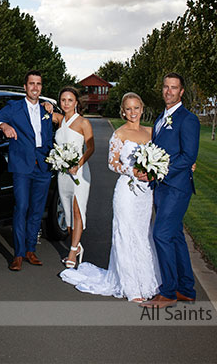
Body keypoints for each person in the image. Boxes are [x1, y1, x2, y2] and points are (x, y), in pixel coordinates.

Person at [60, 92, 161, 301]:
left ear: (142, 109)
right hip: (126, 191)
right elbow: (112, 163)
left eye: (136, 108)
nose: (133, 112)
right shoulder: (120, 134)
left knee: (142, 234)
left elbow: (160, 157)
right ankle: (130, 286)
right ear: (123, 112)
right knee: (125, 234)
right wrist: (132, 171)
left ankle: (146, 281)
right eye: (128, 108)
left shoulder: (151, 133)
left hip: (145, 194)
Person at [0, 70, 56, 271]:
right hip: (22, 166)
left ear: (41, 87)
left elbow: (49, 136)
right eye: (31, 83)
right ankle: (18, 254)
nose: (35, 87)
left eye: (38, 84)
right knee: (21, 207)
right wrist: (3, 125)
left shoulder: (46, 110)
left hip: (43, 166)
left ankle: (31, 250)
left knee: (37, 210)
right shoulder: (14, 108)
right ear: (25, 87)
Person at [138, 73, 199, 308]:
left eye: (174, 88)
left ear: (181, 91)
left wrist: (158, 171)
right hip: (161, 188)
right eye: (166, 87)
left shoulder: (188, 119)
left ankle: (168, 292)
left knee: (161, 234)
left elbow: (188, 157)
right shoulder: (160, 119)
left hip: (177, 187)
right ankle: (186, 289)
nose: (169, 91)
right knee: (174, 237)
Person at [48, 87, 94, 268]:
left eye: (70, 100)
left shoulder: (83, 122)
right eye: (63, 100)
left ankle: (73, 251)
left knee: (77, 210)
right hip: (62, 173)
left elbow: (91, 148)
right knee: (67, 212)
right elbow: (37, 111)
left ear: (76, 102)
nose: (66, 103)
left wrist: (78, 164)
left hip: (79, 172)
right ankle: (76, 246)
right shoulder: (59, 120)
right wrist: (46, 105)